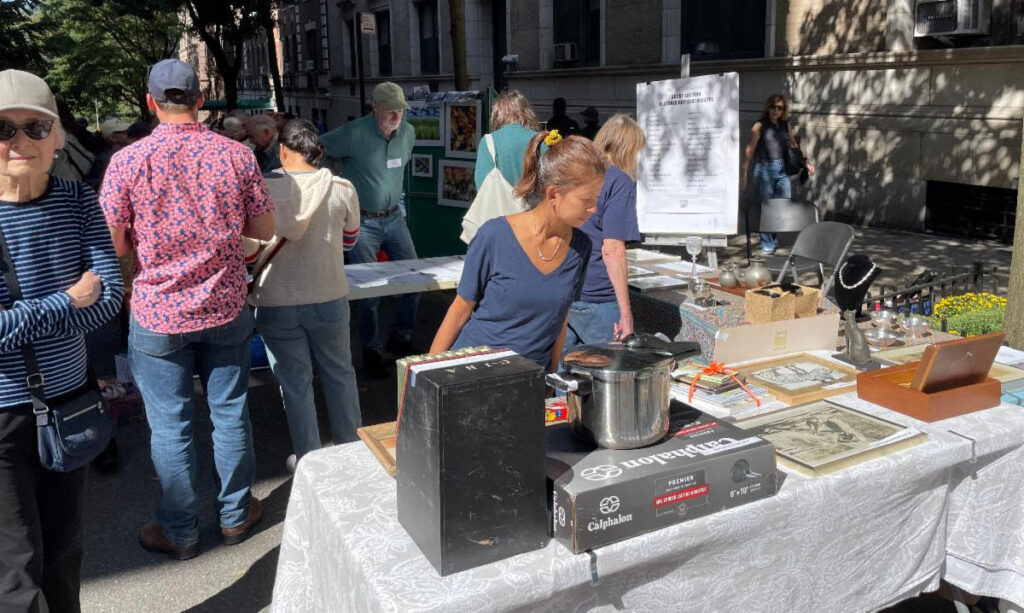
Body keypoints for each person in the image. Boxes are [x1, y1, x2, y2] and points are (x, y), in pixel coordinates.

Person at [100, 59, 275, 561]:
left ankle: (180, 532)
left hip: (157, 313)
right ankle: (236, 514)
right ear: (200, 100)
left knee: (171, 425)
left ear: (152, 103)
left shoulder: (127, 162)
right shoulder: (237, 156)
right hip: (224, 307)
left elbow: (113, 244)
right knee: (229, 412)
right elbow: (263, 230)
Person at [0, 69, 123, 611]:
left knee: (65, 550)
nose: (20, 141)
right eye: (3, 130)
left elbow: (111, 298)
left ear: (57, 137)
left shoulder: (77, 200)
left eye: (34, 126)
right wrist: (66, 302)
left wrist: (24, 316)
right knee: (14, 567)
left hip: (69, 401)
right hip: (2, 416)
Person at [430, 132, 605, 369]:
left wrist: (551, 381)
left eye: (597, 198)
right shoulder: (494, 235)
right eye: (587, 199)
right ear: (553, 194)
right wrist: (423, 373)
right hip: (470, 374)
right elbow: (460, 309)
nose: (594, 208)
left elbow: (560, 321)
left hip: (529, 382)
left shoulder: (581, 247)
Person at [249, 119, 362, 472]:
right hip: (328, 295)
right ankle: (352, 452)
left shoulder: (262, 190)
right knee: (340, 374)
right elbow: (350, 241)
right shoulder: (342, 188)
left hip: (274, 300)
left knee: (295, 384)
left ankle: (310, 460)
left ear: (282, 150)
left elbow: (249, 252)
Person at [321, 82, 417, 379]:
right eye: (390, 108)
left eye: (400, 108)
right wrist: (332, 180)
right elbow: (317, 148)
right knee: (369, 291)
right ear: (375, 106)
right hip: (362, 221)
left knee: (414, 279)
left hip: (394, 217)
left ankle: (400, 337)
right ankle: (371, 350)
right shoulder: (354, 133)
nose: (396, 113)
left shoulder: (408, 133)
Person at [565, 114, 645, 349]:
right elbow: (612, 249)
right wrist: (626, 316)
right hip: (599, 295)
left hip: (565, 291)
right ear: (629, 150)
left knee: (566, 377)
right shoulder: (619, 181)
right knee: (608, 376)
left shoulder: (576, 173)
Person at [741, 94, 816, 255]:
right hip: (763, 169)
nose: (776, 110)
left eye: (780, 108)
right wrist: (744, 172)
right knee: (766, 207)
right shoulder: (759, 125)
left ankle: (772, 236)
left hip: (782, 169)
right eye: (773, 107)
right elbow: (750, 149)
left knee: (783, 204)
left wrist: (806, 162)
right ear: (768, 107)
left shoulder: (784, 124)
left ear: (783, 110)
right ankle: (767, 242)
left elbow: (793, 144)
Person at [473, 89, 540, 191]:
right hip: (535, 206)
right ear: (527, 112)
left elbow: (482, 188)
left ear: (497, 114)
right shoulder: (541, 141)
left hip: (500, 206)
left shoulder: (489, 142)